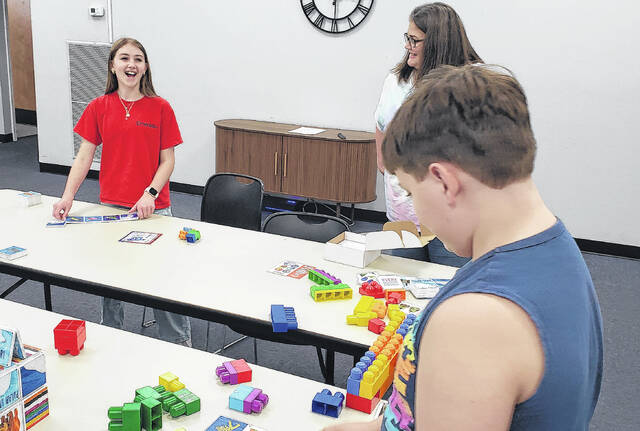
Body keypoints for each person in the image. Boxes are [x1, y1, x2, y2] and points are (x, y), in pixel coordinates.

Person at [325, 65, 603, 430]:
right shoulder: (554, 248)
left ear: (444, 181)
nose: (417, 213)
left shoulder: (475, 320)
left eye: (411, 193)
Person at [52, 37, 192, 347]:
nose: (132, 64)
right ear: (113, 66)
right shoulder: (99, 106)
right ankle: (110, 339)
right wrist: (67, 196)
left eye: (138, 59)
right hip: (111, 208)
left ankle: (178, 344)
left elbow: (168, 161)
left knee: (161, 281)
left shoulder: (160, 107)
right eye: (125, 58)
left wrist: (150, 194)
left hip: (154, 209)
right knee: (110, 280)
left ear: (145, 68)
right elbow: (84, 156)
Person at [375, 2, 481, 266]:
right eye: (407, 37)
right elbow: (381, 123)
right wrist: (383, 161)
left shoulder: (469, 86)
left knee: (448, 292)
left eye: (415, 40)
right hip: (402, 213)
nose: (407, 45)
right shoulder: (396, 82)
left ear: (437, 43)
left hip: (449, 219)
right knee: (400, 289)